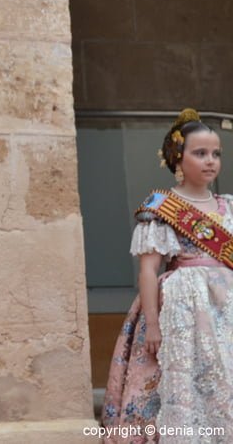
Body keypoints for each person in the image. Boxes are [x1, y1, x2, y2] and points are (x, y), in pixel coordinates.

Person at [101, 109, 233, 443]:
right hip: (182, 311)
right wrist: (153, 322)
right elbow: (148, 270)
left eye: (215, 154)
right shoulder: (161, 207)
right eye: (200, 153)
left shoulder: (228, 206)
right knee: (183, 381)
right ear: (177, 157)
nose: (210, 161)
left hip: (226, 308)